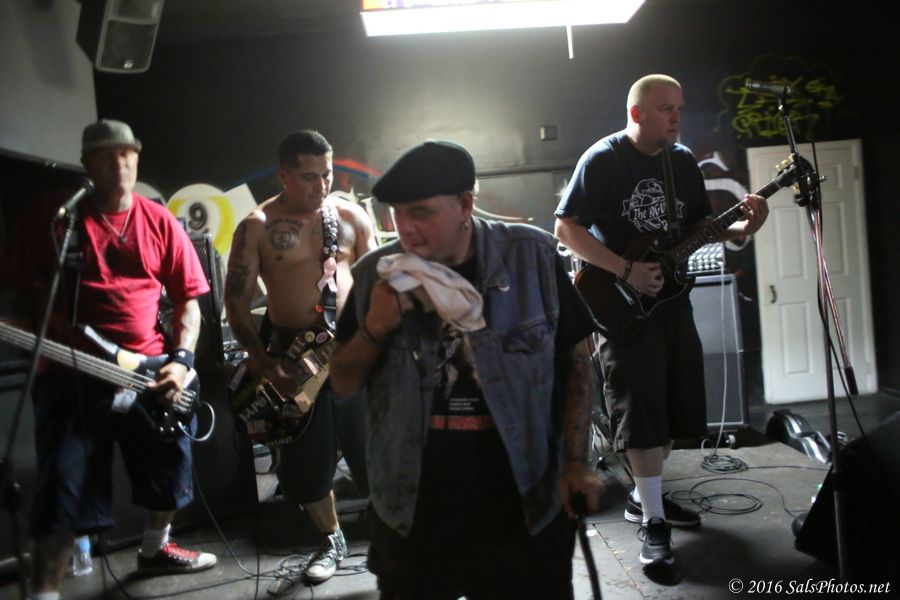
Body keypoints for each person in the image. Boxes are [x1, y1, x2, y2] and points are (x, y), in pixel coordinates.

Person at [329, 140, 606, 600]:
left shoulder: (533, 258)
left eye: (421, 212)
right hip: (413, 514)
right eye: (397, 214)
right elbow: (342, 382)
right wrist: (376, 327)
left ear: (464, 204)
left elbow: (576, 363)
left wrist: (576, 463)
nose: (406, 229)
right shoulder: (377, 273)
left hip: (521, 507)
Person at [554, 74, 769, 567]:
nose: (677, 117)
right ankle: (653, 521)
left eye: (679, 107)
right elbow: (566, 228)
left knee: (672, 406)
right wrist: (626, 269)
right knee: (640, 411)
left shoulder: (681, 161)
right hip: (620, 302)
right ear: (637, 113)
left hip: (671, 301)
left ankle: (643, 497)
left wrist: (743, 226)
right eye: (666, 109)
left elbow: (697, 228)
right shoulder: (604, 158)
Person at [2, 120, 216, 600]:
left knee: (168, 470)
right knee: (62, 494)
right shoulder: (55, 219)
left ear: (137, 158)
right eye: (105, 156)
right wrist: (26, 328)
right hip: (69, 377)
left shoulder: (158, 220)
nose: (119, 164)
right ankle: (44, 593)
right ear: (86, 164)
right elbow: (15, 293)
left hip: (150, 373)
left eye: (126, 154)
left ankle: (156, 547)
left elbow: (188, 302)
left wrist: (181, 361)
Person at [223, 130, 375, 588]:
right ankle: (331, 540)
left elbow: (378, 283)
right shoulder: (257, 225)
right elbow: (236, 303)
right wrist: (261, 358)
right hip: (293, 356)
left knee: (377, 449)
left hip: (352, 350)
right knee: (307, 465)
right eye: (309, 177)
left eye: (326, 174)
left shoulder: (350, 216)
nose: (321, 185)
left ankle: (392, 530)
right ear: (284, 176)